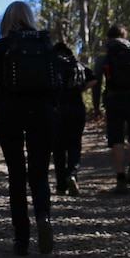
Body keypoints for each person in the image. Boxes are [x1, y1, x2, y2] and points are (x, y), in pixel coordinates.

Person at [0, 1, 60, 256]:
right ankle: (43, 217)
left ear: (7, 20)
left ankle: (22, 239)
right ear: (29, 17)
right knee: (39, 174)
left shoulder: (1, 46)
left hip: (10, 114)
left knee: (16, 175)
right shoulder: (45, 44)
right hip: (43, 114)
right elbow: (57, 81)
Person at [92, 23, 130, 194]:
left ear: (108, 37)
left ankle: (121, 179)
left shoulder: (104, 54)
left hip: (113, 99)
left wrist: (96, 107)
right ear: (124, 35)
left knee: (116, 138)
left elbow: (96, 81)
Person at [52, 42, 96, 197]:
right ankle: (72, 174)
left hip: (56, 110)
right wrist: (80, 89)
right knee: (74, 144)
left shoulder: (52, 64)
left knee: (58, 148)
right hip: (77, 109)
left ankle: (60, 185)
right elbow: (93, 79)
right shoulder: (77, 64)